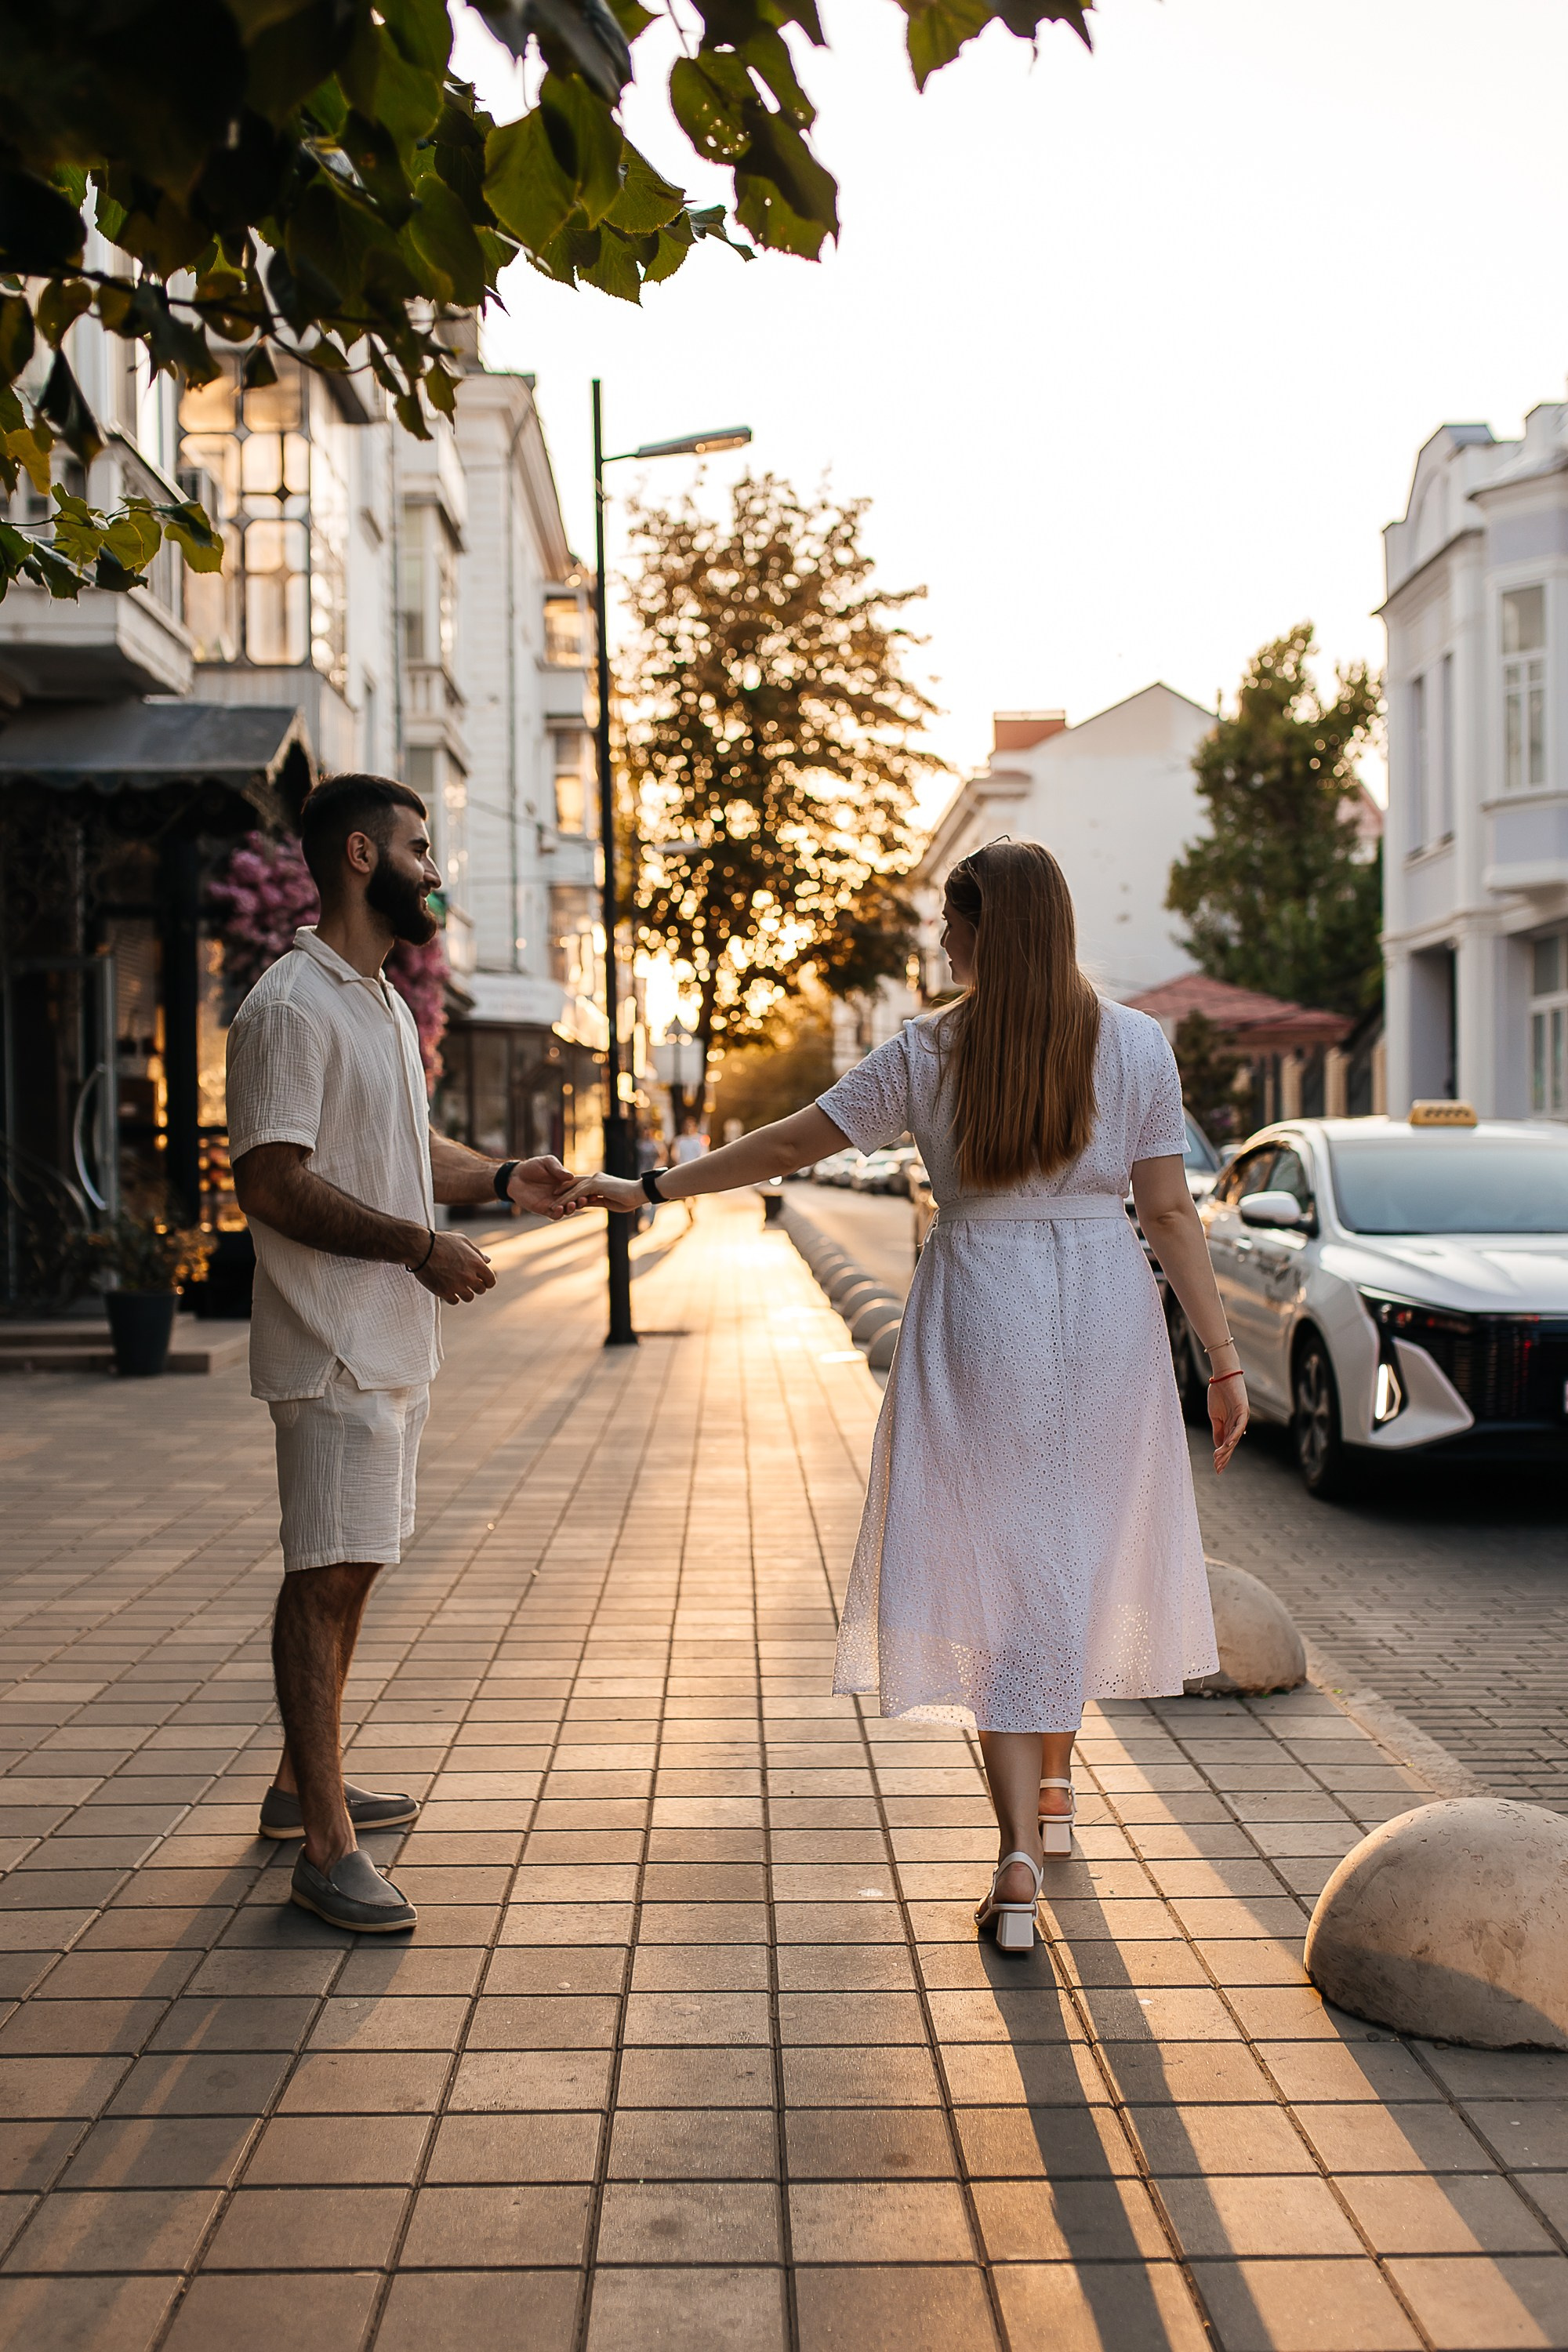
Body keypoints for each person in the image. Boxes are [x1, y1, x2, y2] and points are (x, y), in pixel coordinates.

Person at [565, 841, 1247, 1955]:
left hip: (981, 1307)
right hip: (1104, 1317)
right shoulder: (1136, 1046)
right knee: (1065, 1550)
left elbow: (790, 1142)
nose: (942, 940)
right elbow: (1171, 1216)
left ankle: (1020, 1851)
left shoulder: (928, 1051)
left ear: (989, 932)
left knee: (997, 1566)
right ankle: (1052, 1804)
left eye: (952, 921)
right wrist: (1220, 1363)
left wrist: (650, 1186)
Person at [227, 774, 577, 1935]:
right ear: (365, 856)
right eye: (423, 849)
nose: (437, 870)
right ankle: (324, 1848)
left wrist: (497, 1179)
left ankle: (298, 1787)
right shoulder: (290, 1007)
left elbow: (397, 1143)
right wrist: (421, 1246)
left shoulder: (374, 1000)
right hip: (330, 1344)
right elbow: (270, 1181)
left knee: (355, 1561)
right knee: (324, 1573)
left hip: (387, 1345)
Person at [669, 1111, 708, 1228]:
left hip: (696, 1169)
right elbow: (674, 1155)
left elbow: (704, 1153)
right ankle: (689, 1213)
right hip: (683, 1169)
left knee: (696, 1194)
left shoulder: (699, 1139)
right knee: (684, 1194)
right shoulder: (679, 1140)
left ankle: (693, 1208)